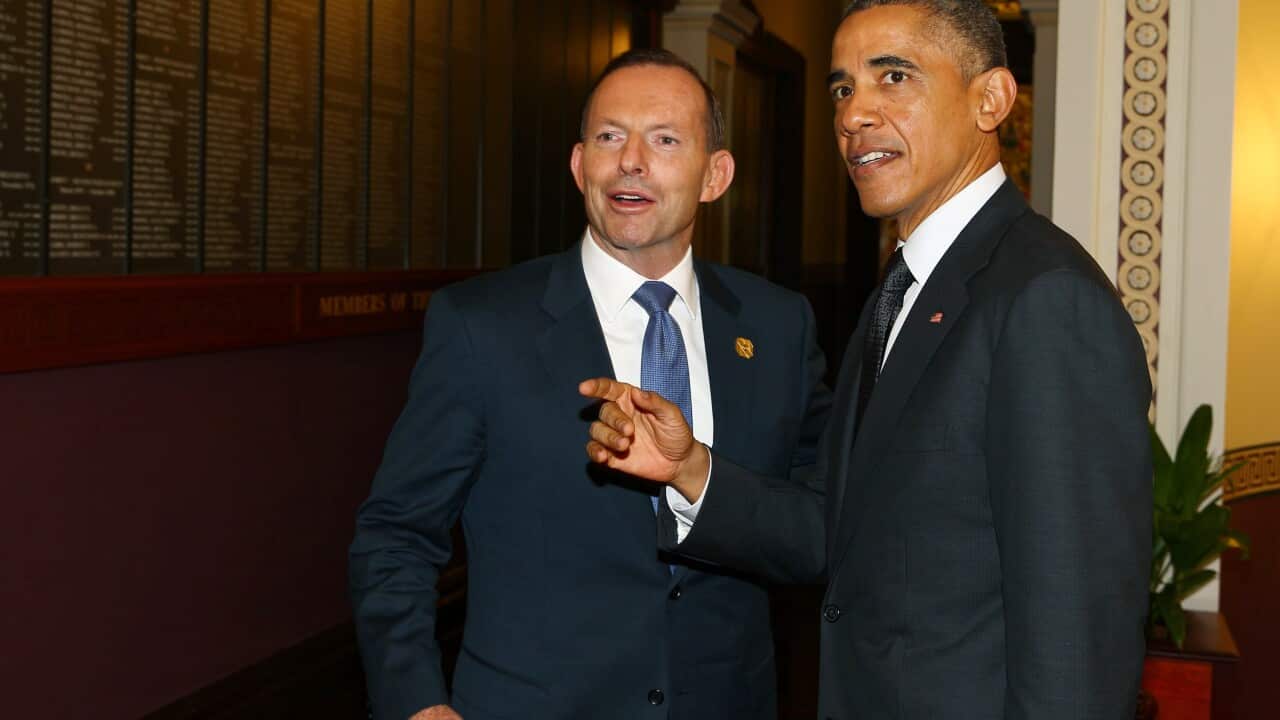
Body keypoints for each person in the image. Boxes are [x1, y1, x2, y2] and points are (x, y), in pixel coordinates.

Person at [582, 2, 1153, 719]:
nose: (854, 115)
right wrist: (690, 470)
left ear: (991, 99)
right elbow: (836, 526)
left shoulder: (1044, 299)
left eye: (894, 77)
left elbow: (1077, 636)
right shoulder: (901, 289)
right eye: (843, 88)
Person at [349, 48, 831, 720]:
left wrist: (697, 475)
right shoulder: (482, 325)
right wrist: (415, 701)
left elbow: (818, 533)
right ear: (581, 166)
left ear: (715, 175)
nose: (631, 160)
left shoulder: (779, 328)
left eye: (664, 140)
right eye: (610, 137)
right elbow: (396, 533)